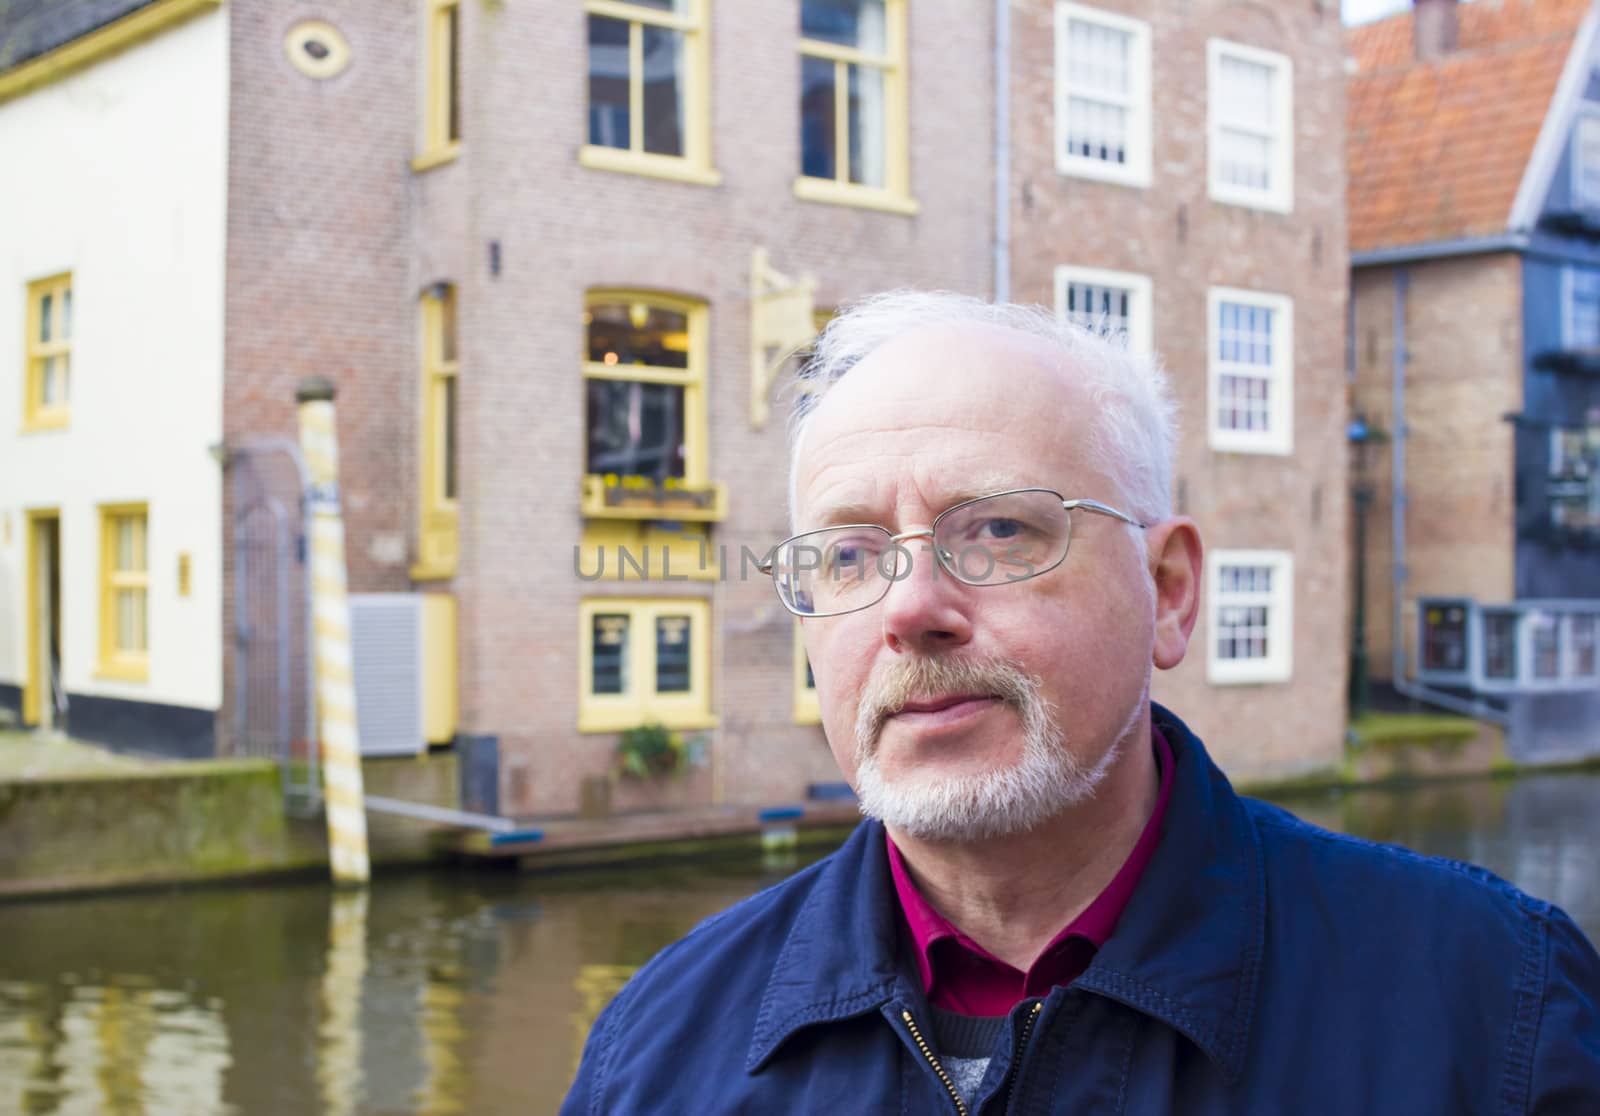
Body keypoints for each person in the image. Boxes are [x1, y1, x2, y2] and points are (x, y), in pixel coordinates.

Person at [562, 291, 1600, 1114]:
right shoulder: (652, 1053)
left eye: (999, 532)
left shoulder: (1492, 1010)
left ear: (1170, 591)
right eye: (848, 555)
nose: (911, 607)